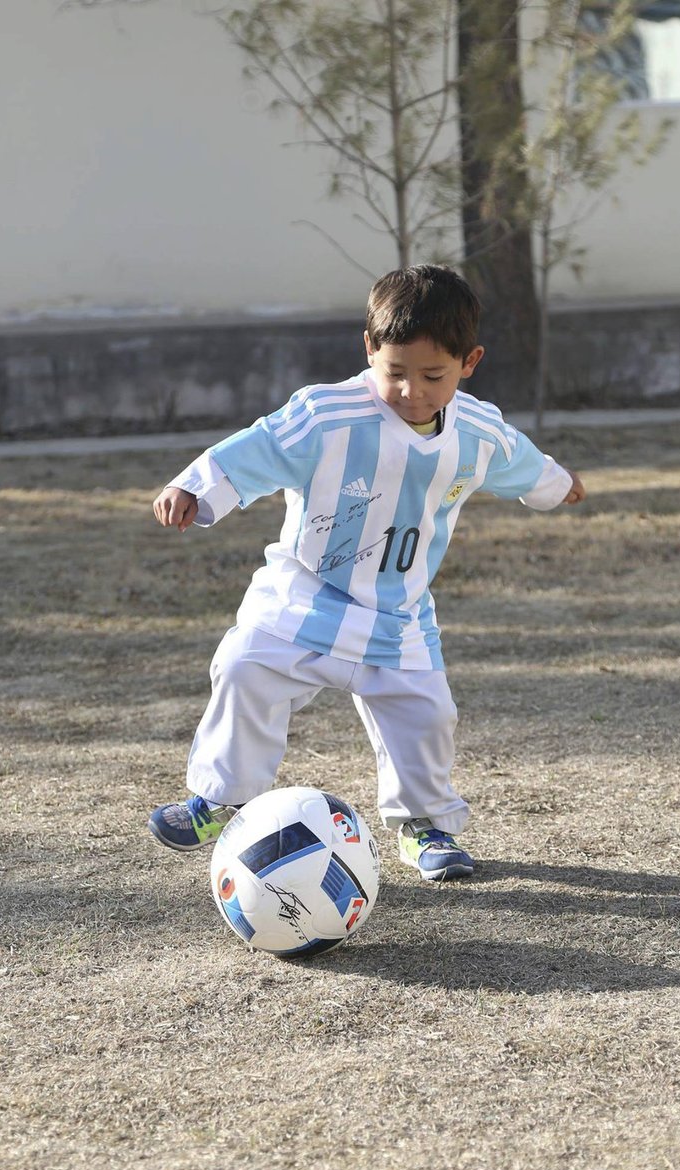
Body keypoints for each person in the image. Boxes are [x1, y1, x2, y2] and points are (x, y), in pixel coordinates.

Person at [149, 264, 585, 882]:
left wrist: (559, 485)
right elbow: (256, 447)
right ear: (368, 351)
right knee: (244, 669)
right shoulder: (326, 414)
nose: (412, 390)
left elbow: (522, 460)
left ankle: (424, 826)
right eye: (395, 373)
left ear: (470, 362)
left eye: (433, 375)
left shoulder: (477, 431)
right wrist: (191, 487)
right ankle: (218, 800)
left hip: (396, 612)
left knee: (427, 716)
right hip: (303, 597)